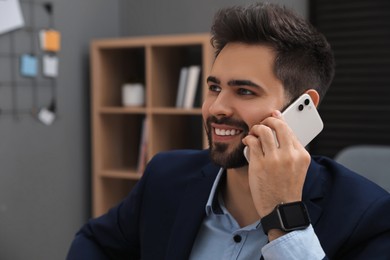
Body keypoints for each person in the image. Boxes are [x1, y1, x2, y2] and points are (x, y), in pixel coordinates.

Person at [67, 2, 390, 259]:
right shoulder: (164, 176)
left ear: (303, 106)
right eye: (214, 87)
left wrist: (285, 219)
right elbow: (94, 242)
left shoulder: (367, 215)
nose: (216, 107)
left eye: (245, 91)